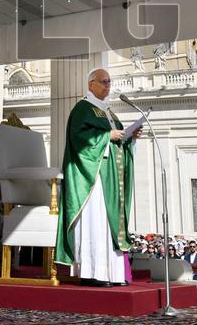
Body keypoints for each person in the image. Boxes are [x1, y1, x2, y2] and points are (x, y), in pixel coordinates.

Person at [55, 68, 142, 287]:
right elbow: (79, 139)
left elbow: (118, 139)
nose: (108, 85)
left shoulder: (109, 113)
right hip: (93, 178)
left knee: (109, 221)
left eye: (109, 82)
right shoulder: (83, 109)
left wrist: (130, 137)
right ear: (90, 84)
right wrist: (106, 137)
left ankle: (112, 273)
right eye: (103, 81)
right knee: (96, 221)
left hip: (110, 176)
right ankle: (92, 273)